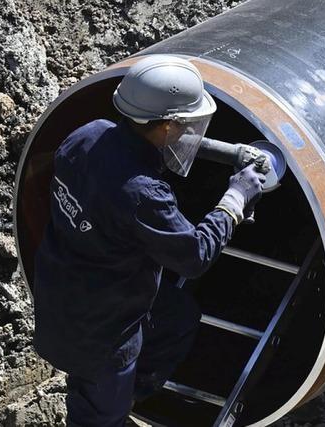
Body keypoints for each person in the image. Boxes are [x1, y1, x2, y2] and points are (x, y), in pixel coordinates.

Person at [32, 55, 266, 426]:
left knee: (178, 318)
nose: (192, 132)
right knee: (96, 417)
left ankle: (122, 398)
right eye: (188, 125)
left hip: (63, 293)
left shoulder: (87, 134)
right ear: (169, 126)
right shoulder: (144, 195)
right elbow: (194, 256)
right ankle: (107, 409)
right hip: (102, 335)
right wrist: (235, 198)